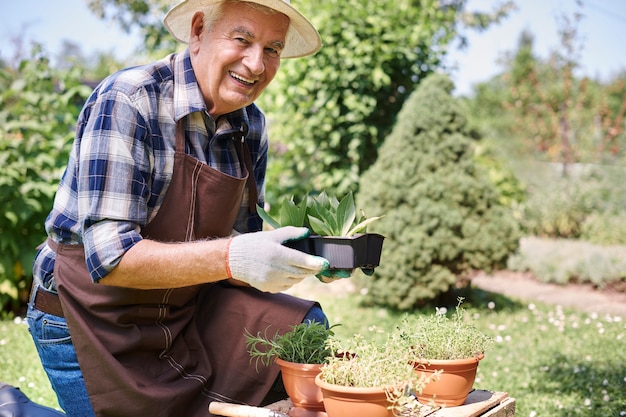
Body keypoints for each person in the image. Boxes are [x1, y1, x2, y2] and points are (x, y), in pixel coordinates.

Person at [26, 1, 339, 416]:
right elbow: (110, 258)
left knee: (304, 328)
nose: (256, 64)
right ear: (197, 32)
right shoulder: (130, 100)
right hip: (88, 318)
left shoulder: (251, 126)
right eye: (242, 40)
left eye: (272, 49)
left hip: (183, 309)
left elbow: (238, 256)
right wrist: (237, 256)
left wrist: (302, 257)